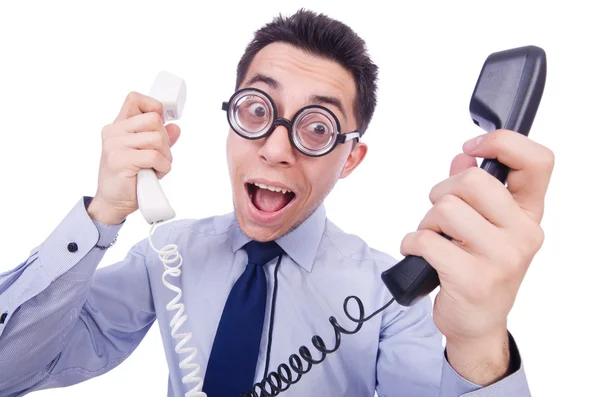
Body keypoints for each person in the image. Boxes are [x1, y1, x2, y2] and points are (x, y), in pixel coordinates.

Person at [0, 8, 553, 397]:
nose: (275, 149)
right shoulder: (168, 255)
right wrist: (100, 217)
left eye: (317, 127)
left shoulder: (390, 297)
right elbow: (11, 371)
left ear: (351, 159)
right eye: (258, 110)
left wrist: (480, 341)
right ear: (230, 121)